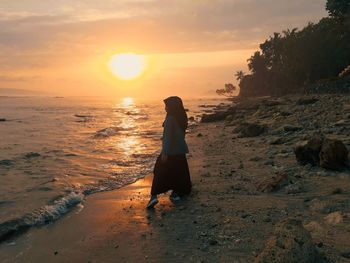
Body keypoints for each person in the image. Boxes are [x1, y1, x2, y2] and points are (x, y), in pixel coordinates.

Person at [146, 96, 192, 209]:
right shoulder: (182, 117)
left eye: (166, 106)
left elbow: (167, 137)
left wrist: (165, 152)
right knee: (179, 174)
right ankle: (176, 193)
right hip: (180, 152)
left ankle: (153, 197)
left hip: (170, 152)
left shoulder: (170, 119)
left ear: (172, 107)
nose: (165, 108)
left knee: (159, 171)